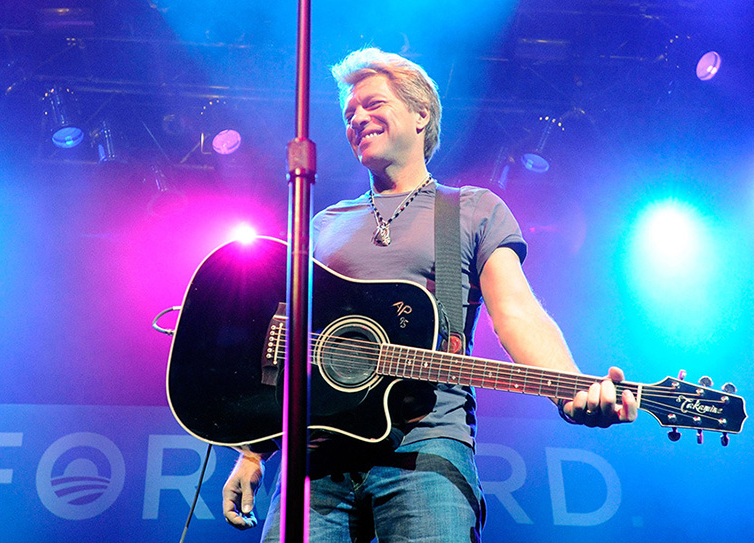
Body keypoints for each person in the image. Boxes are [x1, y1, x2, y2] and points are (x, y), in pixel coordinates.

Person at [222, 47, 637, 542]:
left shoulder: (471, 209)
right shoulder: (323, 223)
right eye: (349, 114)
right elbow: (294, 342)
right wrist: (253, 451)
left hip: (426, 449)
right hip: (317, 456)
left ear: (421, 114)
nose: (357, 119)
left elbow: (518, 314)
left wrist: (568, 388)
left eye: (373, 104)